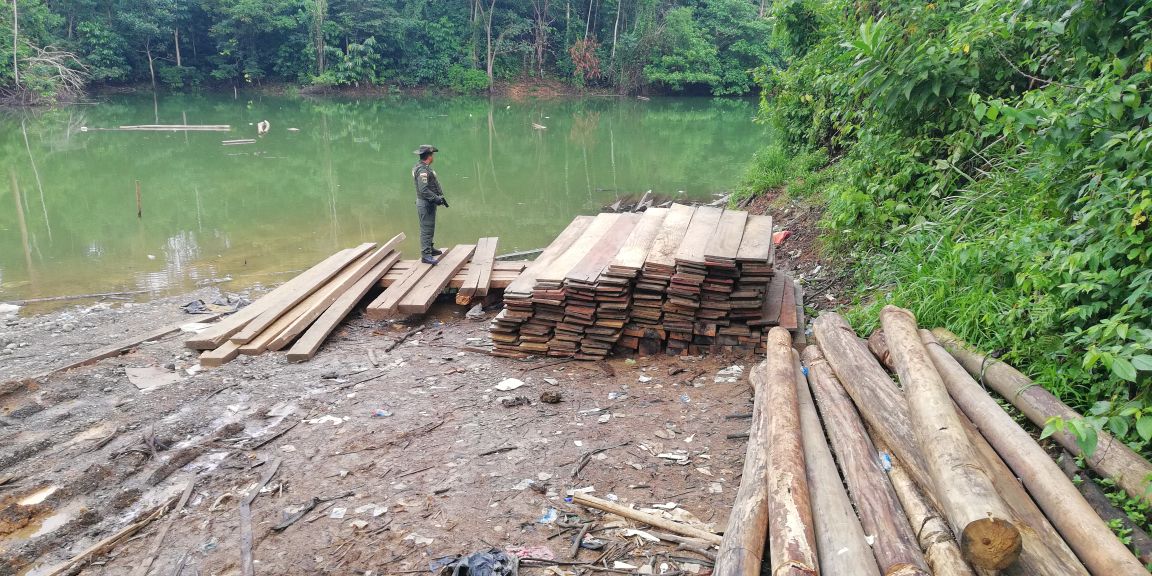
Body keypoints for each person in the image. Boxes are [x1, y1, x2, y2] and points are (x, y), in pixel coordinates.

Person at [412, 144, 448, 264]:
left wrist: (438, 197)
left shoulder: (423, 167)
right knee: (426, 229)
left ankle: (430, 248)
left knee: (430, 227)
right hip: (426, 203)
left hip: (428, 203)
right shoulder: (422, 170)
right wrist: (436, 198)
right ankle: (425, 255)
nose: (433, 157)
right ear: (429, 156)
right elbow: (423, 190)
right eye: (432, 155)